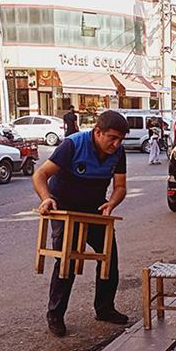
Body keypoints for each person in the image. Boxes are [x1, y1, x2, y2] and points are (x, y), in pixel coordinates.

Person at [32, 111, 130, 337]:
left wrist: (111, 204)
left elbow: (120, 187)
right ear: (97, 132)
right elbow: (41, 175)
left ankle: (104, 309)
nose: (116, 144)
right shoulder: (72, 145)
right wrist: (46, 198)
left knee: (109, 261)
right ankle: (55, 315)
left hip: (96, 209)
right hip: (66, 208)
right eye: (112, 138)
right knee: (67, 263)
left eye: (120, 140)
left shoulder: (118, 153)